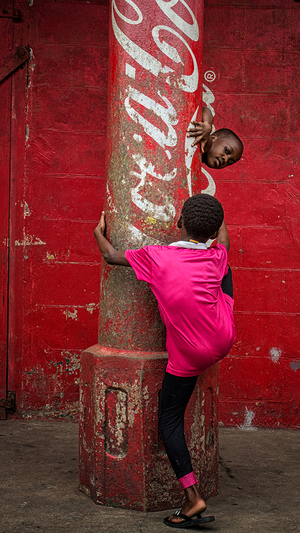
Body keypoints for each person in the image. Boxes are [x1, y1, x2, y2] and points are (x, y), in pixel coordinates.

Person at [94, 194, 236, 528]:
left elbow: (110, 255)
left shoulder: (157, 257)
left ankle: (192, 497)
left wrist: (97, 231)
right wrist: (218, 216)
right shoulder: (217, 254)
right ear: (213, 229)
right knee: (224, 265)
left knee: (168, 421)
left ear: (179, 223)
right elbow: (224, 239)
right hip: (224, 336)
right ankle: (192, 496)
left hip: (192, 353)